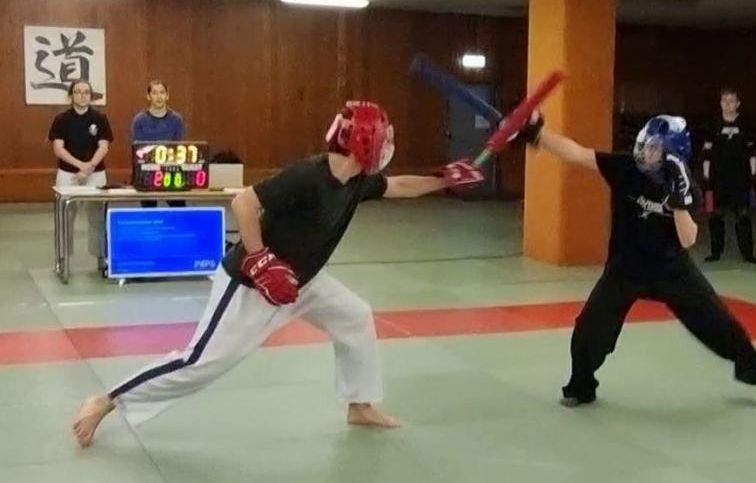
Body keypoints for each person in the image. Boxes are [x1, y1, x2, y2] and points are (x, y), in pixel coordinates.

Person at [72, 100, 478, 447]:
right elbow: (244, 202)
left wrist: (443, 180)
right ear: (365, 142)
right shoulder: (308, 176)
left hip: (303, 281)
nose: (388, 146)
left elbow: (400, 186)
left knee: (355, 316)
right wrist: (261, 259)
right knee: (200, 362)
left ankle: (360, 405)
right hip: (251, 285)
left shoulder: (357, 181)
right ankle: (106, 401)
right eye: (384, 138)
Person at [518, 112, 756, 406]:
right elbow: (579, 154)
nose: (646, 152)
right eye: (645, 145)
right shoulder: (626, 168)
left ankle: (751, 369)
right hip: (625, 268)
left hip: (671, 270)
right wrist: (539, 135)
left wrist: (678, 201)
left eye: (654, 148)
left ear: (672, 154)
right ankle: (581, 387)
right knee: (589, 331)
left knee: (718, 321)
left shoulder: (685, 184)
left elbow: (688, 239)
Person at [48, 79, 114, 272]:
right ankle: (63, 259)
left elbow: (104, 146)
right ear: (71, 96)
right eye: (78, 92)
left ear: (91, 96)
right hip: (68, 174)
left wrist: (90, 166)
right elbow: (58, 149)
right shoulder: (61, 119)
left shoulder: (100, 118)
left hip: (96, 173)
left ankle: (101, 257)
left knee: (97, 216)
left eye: (86, 92)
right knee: (65, 217)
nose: (82, 95)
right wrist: (80, 166)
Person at [702, 88, 756, 263]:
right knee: (716, 215)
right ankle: (715, 253)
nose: (728, 104)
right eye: (724, 100)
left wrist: (753, 175)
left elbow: (752, 153)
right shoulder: (713, 125)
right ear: (720, 103)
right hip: (718, 179)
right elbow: (706, 154)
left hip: (741, 179)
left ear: (738, 104)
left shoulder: (746, 125)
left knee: (743, 215)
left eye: (731, 100)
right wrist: (706, 176)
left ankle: (748, 254)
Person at [131, 80, 186, 208]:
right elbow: (139, 150)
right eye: (155, 93)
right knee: (149, 211)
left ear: (167, 95)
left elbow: (177, 148)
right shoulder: (139, 120)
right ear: (148, 96)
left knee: (179, 209)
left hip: (171, 170)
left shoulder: (176, 119)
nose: (159, 96)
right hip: (146, 172)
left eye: (162, 92)